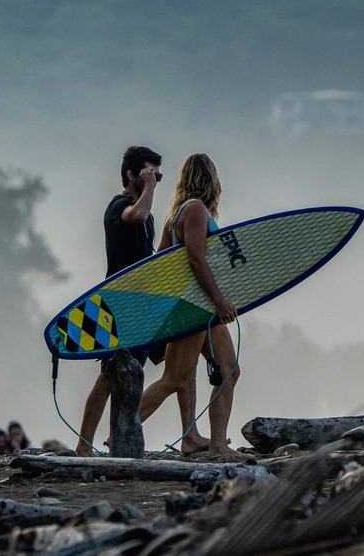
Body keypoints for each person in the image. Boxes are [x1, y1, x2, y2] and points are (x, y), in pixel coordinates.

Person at [137, 152, 241, 458]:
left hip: (197, 308)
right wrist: (219, 299)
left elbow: (161, 261)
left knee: (228, 369)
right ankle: (122, 432)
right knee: (174, 378)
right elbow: (196, 259)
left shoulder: (176, 213)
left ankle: (217, 445)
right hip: (193, 308)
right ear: (211, 180)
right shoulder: (195, 210)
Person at [75, 145, 165, 456]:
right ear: (131, 174)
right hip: (120, 304)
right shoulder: (120, 206)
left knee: (132, 378)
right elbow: (136, 215)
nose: (153, 180)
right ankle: (83, 447)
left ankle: (120, 440)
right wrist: (150, 188)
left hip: (143, 305)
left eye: (157, 174)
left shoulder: (148, 215)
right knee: (108, 378)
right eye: (148, 173)